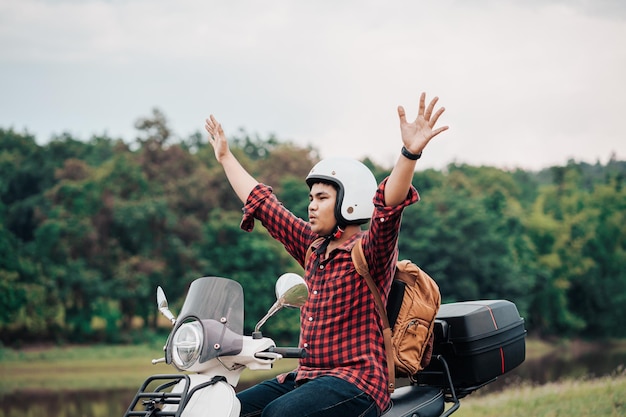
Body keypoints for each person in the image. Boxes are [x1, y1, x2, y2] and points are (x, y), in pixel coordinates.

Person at [204, 92, 448, 417]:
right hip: (307, 377)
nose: (311, 205)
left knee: (278, 415)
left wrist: (409, 153)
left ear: (349, 203)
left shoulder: (369, 253)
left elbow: (389, 208)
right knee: (227, 409)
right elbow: (265, 206)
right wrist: (225, 158)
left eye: (321, 197)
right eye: (310, 198)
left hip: (357, 381)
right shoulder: (312, 247)